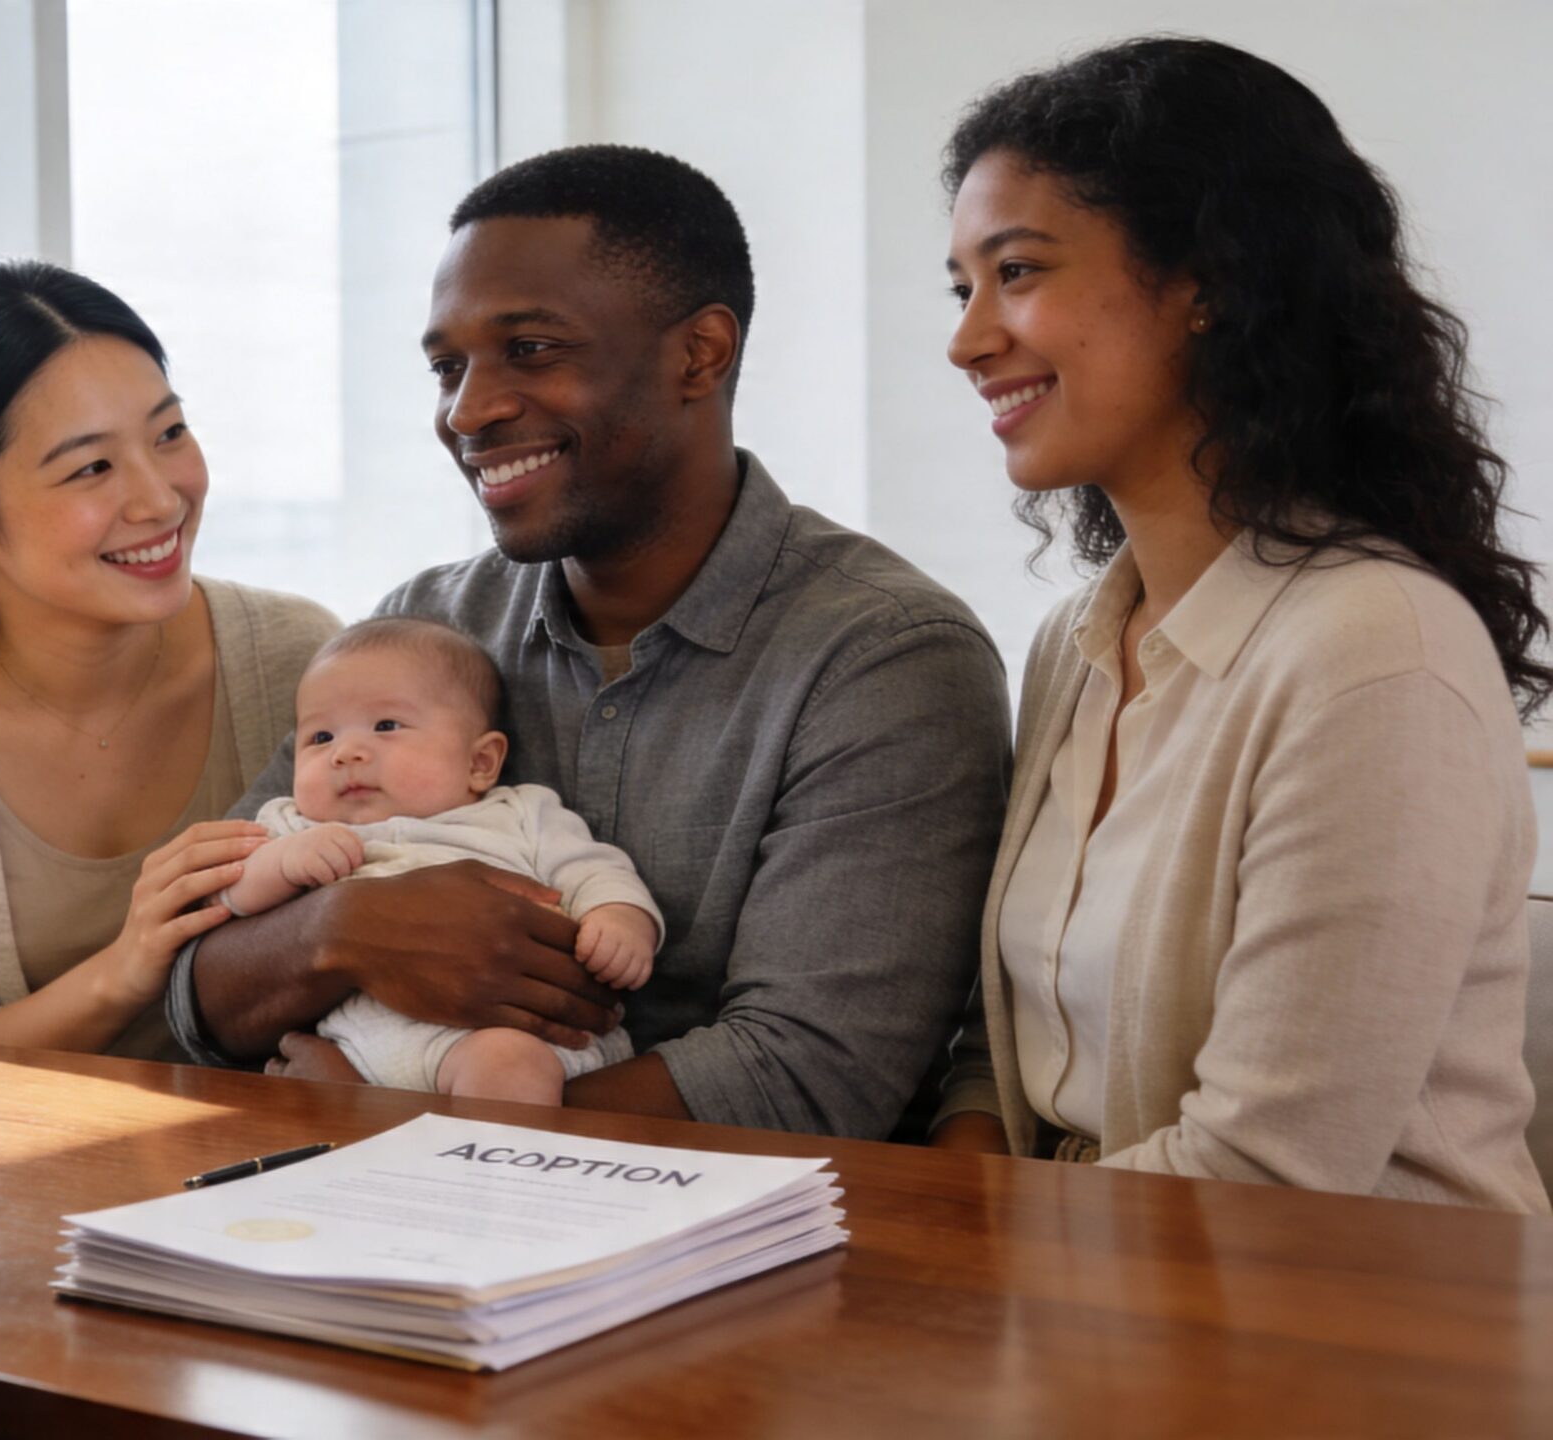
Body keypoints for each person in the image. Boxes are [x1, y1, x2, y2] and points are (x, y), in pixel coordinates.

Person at [168, 144, 1012, 1136]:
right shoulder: (423, 627)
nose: (467, 410)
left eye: (530, 349)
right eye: (447, 367)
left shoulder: (885, 658)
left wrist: (391, 1118)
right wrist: (338, 929)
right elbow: (195, 989)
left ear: (700, 354)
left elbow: (809, 1077)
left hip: (737, 1220)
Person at [929, 38, 1550, 1213]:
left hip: (1350, 1308)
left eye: (1015, 271)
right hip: (1090, 1276)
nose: (966, 340)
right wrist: (942, 1213)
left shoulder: (1375, 652)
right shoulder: (1074, 642)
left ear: (1207, 282)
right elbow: (1001, 1053)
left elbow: (1266, 1176)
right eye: (962, 287)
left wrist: (960, 1260)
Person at [0, 262, 338, 1059]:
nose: (160, 499)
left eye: (169, 434)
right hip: (29, 1141)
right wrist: (128, 967)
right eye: (92, 467)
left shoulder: (300, 659)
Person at [222, 618, 664, 1104]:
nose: (345, 753)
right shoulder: (292, 824)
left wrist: (619, 918)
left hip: (508, 1033)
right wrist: (281, 863)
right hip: (362, 1045)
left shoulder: (520, 813)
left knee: (509, 1065)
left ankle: (473, 1153)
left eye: (386, 726)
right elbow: (228, 896)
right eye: (321, 737)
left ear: (480, 762)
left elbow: (594, 870)